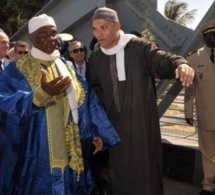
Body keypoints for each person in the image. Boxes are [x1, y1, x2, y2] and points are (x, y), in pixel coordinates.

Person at [0, 14, 120, 195]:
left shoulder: (68, 66)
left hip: (72, 147)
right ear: (31, 37)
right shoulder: (17, 69)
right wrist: (38, 96)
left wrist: (95, 131)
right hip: (38, 153)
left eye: (53, 33)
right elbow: (4, 103)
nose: (50, 37)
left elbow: (87, 101)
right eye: (43, 33)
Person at [89, 7, 195, 195]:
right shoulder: (97, 59)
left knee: (146, 179)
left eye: (104, 27)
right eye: (95, 29)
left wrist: (181, 64)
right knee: (119, 179)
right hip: (115, 133)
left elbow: (163, 60)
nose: (99, 34)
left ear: (117, 26)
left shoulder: (138, 47)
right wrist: (97, 129)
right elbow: (96, 96)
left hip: (142, 131)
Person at [184, 19, 215, 195]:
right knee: (207, 153)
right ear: (204, 37)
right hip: (206, 114)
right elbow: (190, 88)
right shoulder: (194, 58)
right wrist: (188, 112)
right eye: (212, 35)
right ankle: (208, 186)